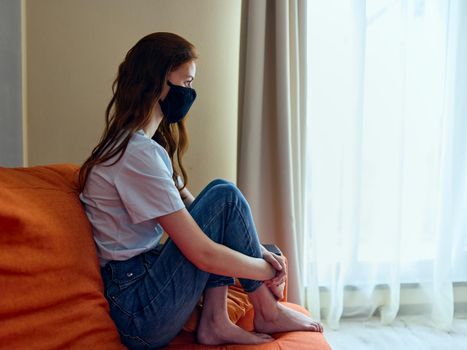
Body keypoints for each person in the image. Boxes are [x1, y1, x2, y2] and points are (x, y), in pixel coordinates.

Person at [78, 32, 323, 349]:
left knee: (224, 197)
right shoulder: (137, 155)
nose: (190, 93)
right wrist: (263, 271)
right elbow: (202, 252)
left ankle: (220, 320)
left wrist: (260, 252)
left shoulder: (140, 148)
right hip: (138, 310)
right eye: (187, 83)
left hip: (142, 287)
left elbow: (201, 214)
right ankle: (265, 309)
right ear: (159, 82)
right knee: (225, 195)